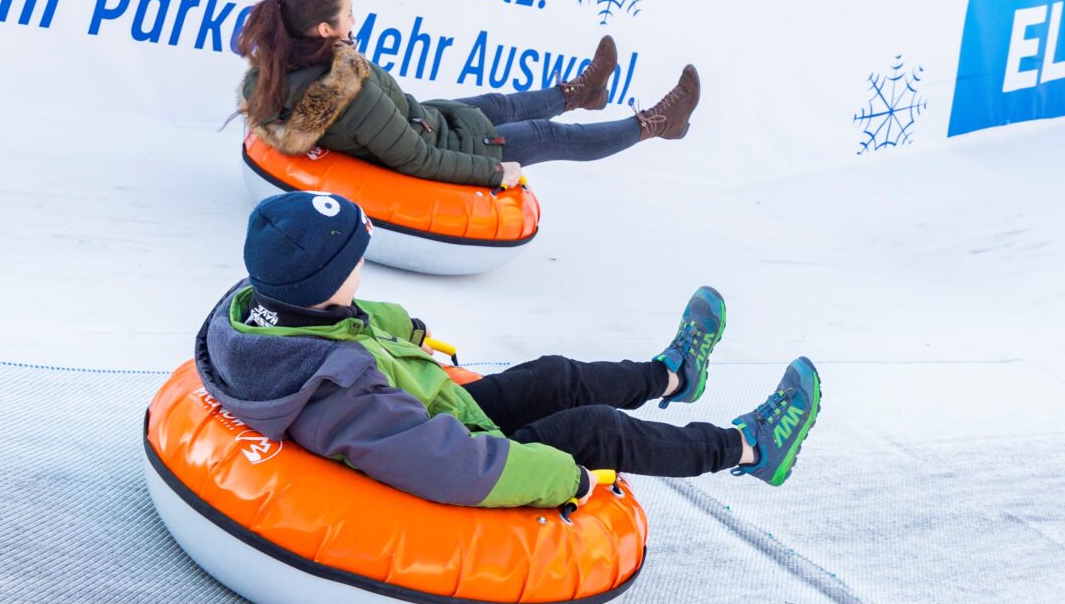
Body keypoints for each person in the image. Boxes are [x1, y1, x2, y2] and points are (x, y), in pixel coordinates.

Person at [193, 192, 822, 508]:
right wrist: (562, 477)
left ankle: (671, 376)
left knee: (552, 375)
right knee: (594, 429)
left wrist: (398, 327)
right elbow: (448, 465)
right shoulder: (342, 398)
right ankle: (751, 447)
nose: (364, 261)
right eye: (355, 256)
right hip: (449, 441)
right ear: (326, 278)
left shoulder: (268, 311)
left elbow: (342, 324)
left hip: (436, 407)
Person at [235, 0, 700, 192]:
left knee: (501, 102)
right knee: (548, 136)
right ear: (323, 29)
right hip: (446, 144)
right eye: (348, 13)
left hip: (420, 117)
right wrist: (495, 172)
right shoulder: (348, 92)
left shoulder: (282, 68)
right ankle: (658, 122)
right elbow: (420, 159)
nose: (356, 17)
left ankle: (581, 94)